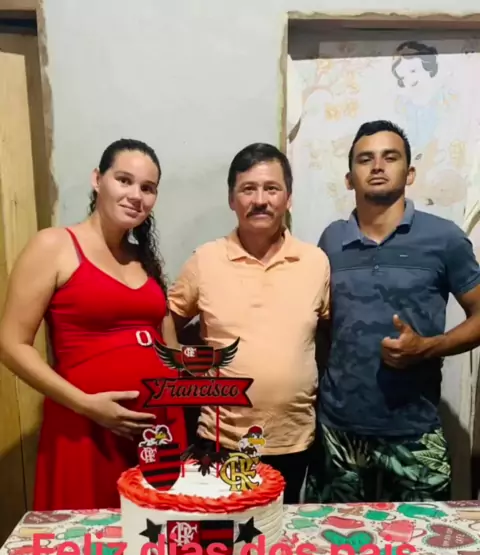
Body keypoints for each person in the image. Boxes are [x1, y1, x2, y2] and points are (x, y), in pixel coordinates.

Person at [0, 138, 186, 510]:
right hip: (86, 428)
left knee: (156, 537)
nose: (136, 195)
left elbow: (170, 348)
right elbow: (11, 344)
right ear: (97, 179)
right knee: (91, 536)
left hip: (158, 432)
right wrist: (87, 405)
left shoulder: (144, 259)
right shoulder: (54, 245)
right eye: (124, 180)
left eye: (147, 188)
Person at [306, 119, 480, 503]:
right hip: (338, 434)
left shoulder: (444, 239)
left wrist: (429, 347)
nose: (378, 166)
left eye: (390, 157)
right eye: (365, 159)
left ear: (409, 173)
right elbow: (322, 326)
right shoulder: (331, 240)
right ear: (349, 179)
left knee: (423, 537)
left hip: (414, 434)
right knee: (333, 538)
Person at [167, 142, 330, 503]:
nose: (260, 200)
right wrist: (186, 375)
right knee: (222, 532)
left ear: (288, 198)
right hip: (221, 440)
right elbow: (167, 320)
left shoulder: (316, 262)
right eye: (248, 189)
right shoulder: (205, 260)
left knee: (279, 528)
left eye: (271, 189)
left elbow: (326, 336)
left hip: (293, 440)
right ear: (232, 199)